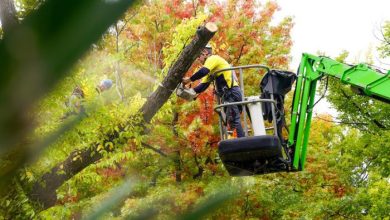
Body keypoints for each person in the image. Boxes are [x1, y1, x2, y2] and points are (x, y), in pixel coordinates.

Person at [182, 44, 245, 137]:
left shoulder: (213, 59)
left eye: (199, 56)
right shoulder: (211, 69)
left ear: (205, 53)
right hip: (228, 94)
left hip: (232, 92)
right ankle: (238, 140)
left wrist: (189, 79)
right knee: (230, 120)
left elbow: (203, 71)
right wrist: (190, 90)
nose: (198, 60)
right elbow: (203, 86)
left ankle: (242, 142)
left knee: (234, 118)